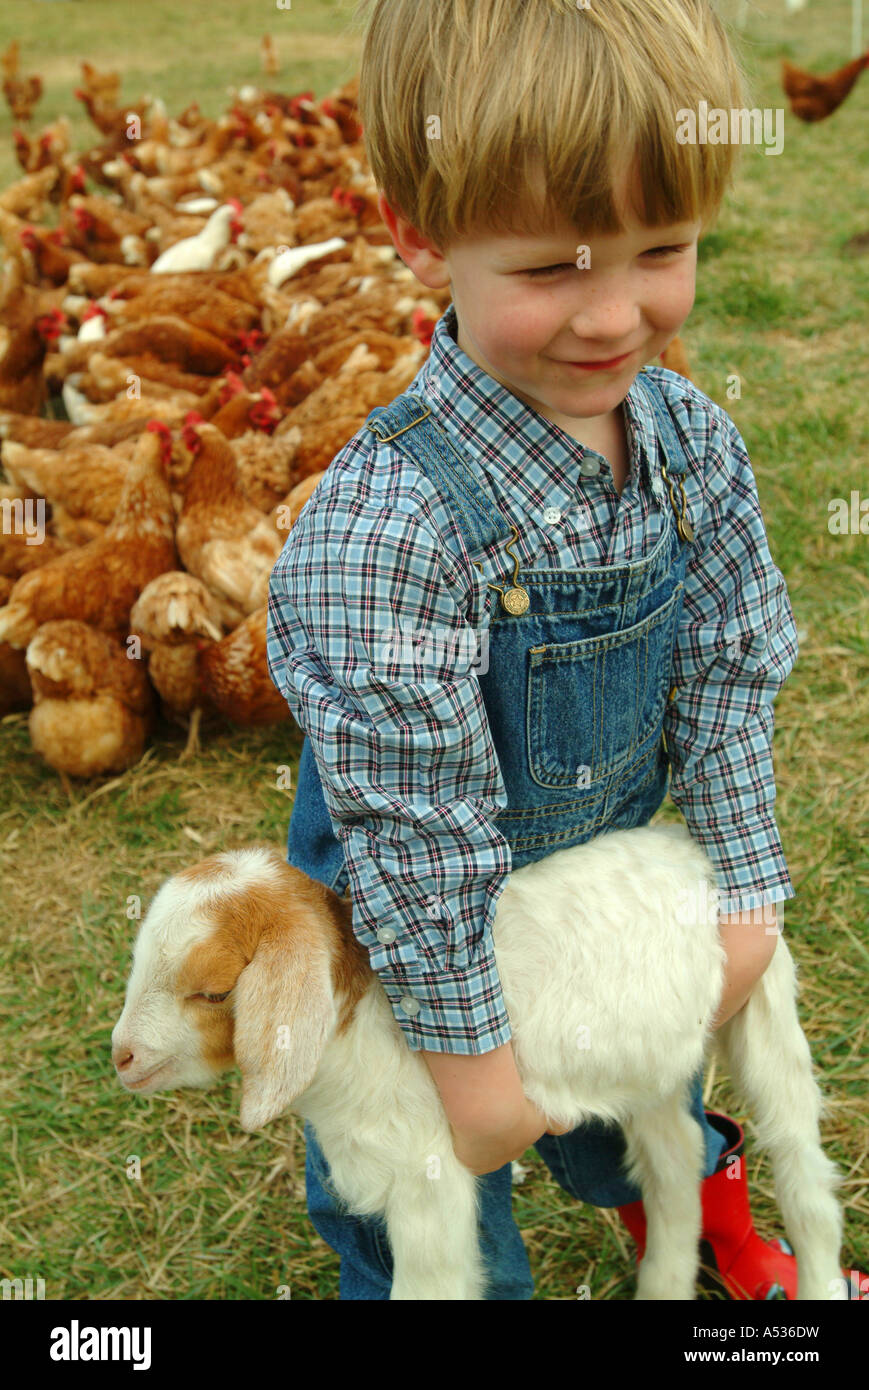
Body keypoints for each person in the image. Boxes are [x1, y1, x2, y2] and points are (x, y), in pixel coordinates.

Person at [266, 0, 801, 1299]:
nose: (615, 315)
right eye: (554, 268)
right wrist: (468, 1062)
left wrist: (741, 885)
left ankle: (699, 1213)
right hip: (408, 942)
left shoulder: (690, 450)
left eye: (659, 247)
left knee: (635, 1110)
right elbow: (416, 832)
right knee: (435, 1209)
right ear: (422, 231)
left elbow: (729, 676)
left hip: (588, 889)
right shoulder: (390, 530)